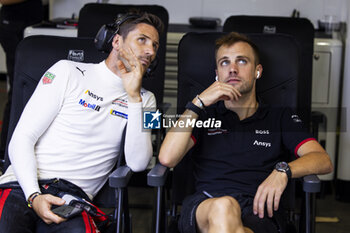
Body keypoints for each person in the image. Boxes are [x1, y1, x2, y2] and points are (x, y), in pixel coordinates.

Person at [0, 12, 164, 232]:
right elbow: (21, 139)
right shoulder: (65, 70)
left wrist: (134, 97)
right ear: (116, 41)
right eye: (142, 40)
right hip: (22, 186)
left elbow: (139, 163)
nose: (150, 51)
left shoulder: (148, 100)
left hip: (73, 199)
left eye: (155, 45)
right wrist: (34, 195)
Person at [159, 32, 333, 233]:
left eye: (241, 61)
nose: (232, 69)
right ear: (217, 74)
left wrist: (283, 170)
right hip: (206, 205)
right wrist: (198, 103)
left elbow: (322, 160)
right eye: (224, 63)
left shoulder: (280, 117)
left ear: (257, 71)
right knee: (224, 207)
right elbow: (167, 158)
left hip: (260, 211)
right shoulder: (202, 115)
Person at [0, 0, 43, 164]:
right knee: (19, 89)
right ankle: (5, 151)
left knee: (37, 90)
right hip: (13, 25)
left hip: (33, 22)